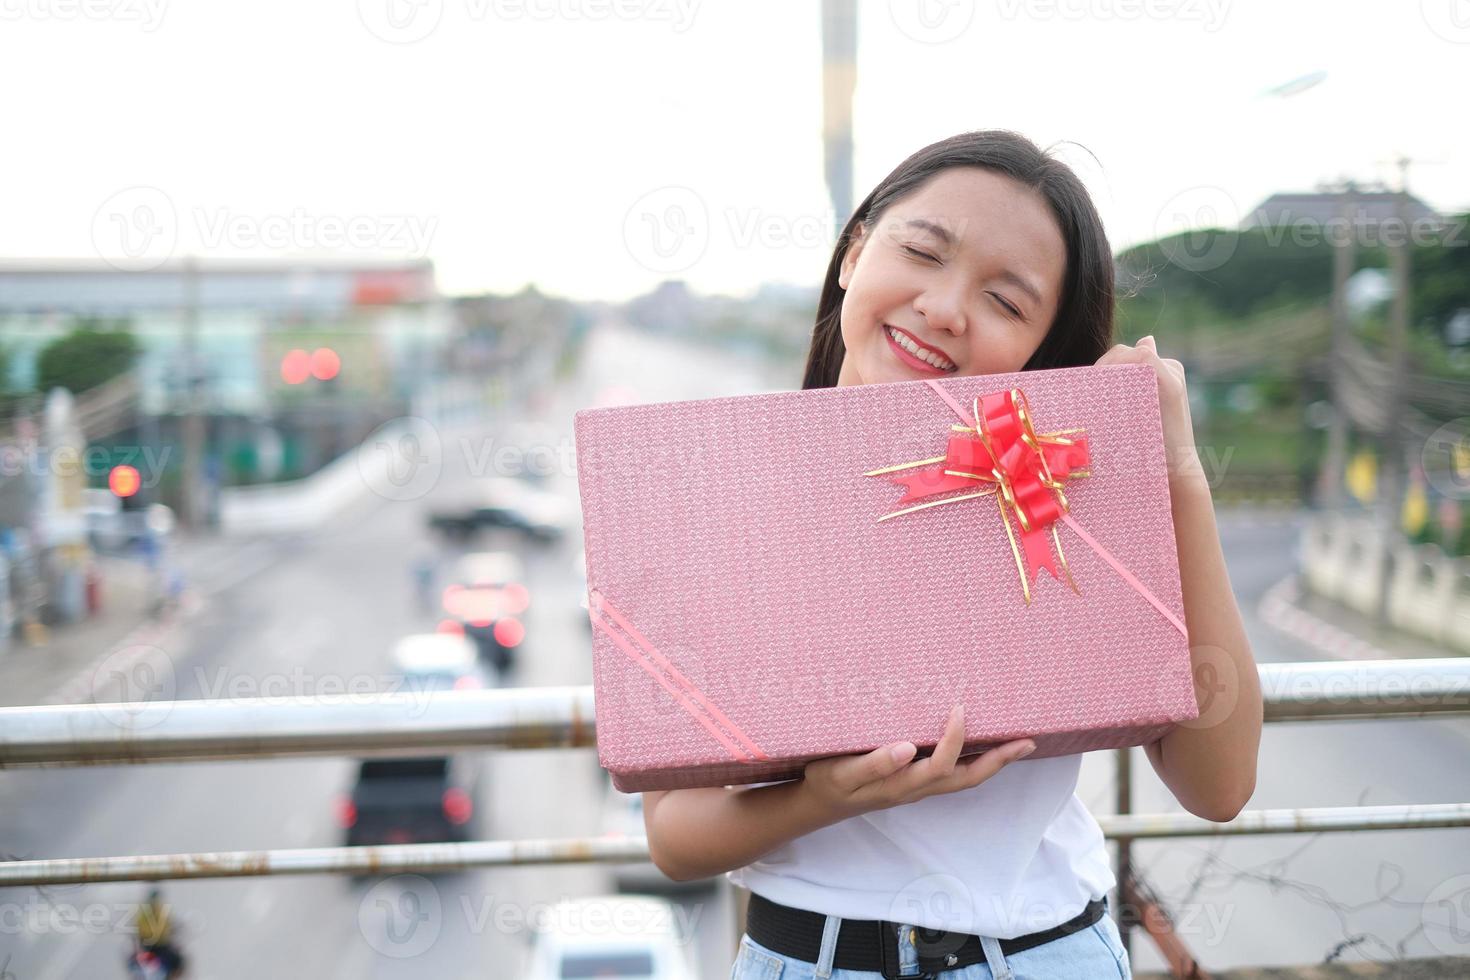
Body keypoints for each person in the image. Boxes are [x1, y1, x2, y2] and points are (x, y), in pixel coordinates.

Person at [642, 131, 1264, 979]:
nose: (944, 307)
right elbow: (675, 837)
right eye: (922, 251)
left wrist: (1177, 476)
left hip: (1050, 954)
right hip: (810, 958)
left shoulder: (1053, 492)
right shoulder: (730, 489)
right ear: (854, 251)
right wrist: (823, 797)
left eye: (1007, 303)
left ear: (1043, 349)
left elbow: (1218, 787)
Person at [130, 887, 185, 976]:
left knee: (177, 960)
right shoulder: (144, 913)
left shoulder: (161, 912)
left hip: (161, 946)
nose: (155, 903)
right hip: (150, 947)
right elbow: (141, 930)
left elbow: (168, 927)